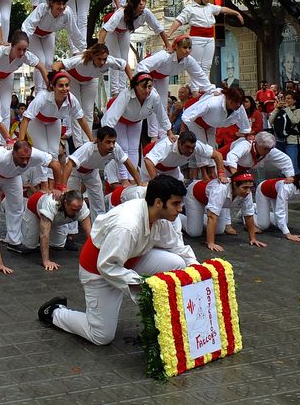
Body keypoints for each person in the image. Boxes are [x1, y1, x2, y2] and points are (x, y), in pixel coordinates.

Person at [38, 174, 196, 345]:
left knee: (180, 264)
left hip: (133, 259)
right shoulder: (127, 225)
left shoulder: (160, 215)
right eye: (176, 204)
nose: (180, 209)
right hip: (99, 271)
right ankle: (55, 312)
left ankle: (165, 319)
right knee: (101, 336)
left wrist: (197, 269)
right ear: (158, 202)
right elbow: (107, 266)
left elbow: (176, 246)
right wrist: (143, 290)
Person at [0, 140, 63, 248]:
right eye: (22, 158)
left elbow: (56, 165)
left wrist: (58, 188)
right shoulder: (1, 154)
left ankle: (13, 240)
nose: (25, 162)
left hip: (13, 177)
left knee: (17, 207)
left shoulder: (36, 155)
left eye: (27, 158)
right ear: (13, 153)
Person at [136, 36, 215, 134]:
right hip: (148, 74)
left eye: (189, 48)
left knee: (162, 104)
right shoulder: (164, 55)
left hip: (162, 76)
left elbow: (199, 75)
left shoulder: (188, 60)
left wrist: (212, 90)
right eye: (184, 47)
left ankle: (163, 133)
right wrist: (145, 82)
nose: (187, 51)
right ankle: (153, 136)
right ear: (176, 47)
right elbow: (142, 66)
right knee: (152, 101)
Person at [164, 0, 245, 75]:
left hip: (210, 38)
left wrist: (236, 13)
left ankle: (205, 88)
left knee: (207, 66)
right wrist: (169, 33)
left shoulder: (209, 7)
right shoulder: (190, 9)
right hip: (197, 38)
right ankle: (195, 89)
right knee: (196, 65)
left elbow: (223, 9)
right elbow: (179, 21)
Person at [102, 73, 171, 183]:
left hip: (136, 120)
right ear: (135, 86)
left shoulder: (154, 96)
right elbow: (112, 115)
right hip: (119, 119)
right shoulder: (126, 94)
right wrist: (106, 132)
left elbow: (161, 114)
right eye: (144, 87)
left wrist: (169, 131)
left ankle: (132, 179)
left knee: (134, 148)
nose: (147, 90)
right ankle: (124, 179)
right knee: (123, 147)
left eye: (149, 87)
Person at [19, 72, 94, 173]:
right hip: (37, 121)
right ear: (53, 87)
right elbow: (26, 118)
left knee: (54, 152)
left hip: (54, 122)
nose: (64, 89)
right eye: (60, 85)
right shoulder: (43, 96)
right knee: (42, 152)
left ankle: (53, 182)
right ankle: (43, 184)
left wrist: (91, 138)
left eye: (67, 85)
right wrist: (21, 141)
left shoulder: (71, 99)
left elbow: (81, 119)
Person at [98, 0, 170, 94]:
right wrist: (99, 48)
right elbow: (104, 30)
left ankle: (123, 89)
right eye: (140, 2)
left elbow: (159, 28)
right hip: (112, 32)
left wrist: (168, 45)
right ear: (133, 4)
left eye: (144, 1)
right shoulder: (121, 12)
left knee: (124, 60)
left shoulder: (146, 13)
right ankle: (115, 92)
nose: (142, 5)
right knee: (116, 58)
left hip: (124, 32)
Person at [53, 43, 125, 138]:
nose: (102, 62)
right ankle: (78, 144)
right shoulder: (81, 59)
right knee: (76, 110)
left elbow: (125, 65)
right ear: (92, 56)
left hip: (91, 80)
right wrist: (55, 82)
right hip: (72, 79)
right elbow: (56, 65)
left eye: (104, 59)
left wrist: (133, 82)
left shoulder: (109, 61)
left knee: (88, 111)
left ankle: (88, 141)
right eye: (99, 59)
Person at [61, 127, 138, 217]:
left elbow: (127, 162)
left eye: (113, 142)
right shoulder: (87, 148)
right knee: (72, 201)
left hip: (92, 171)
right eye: (108, 142)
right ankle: (70, 230)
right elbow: (69, 164)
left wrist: (139, 182)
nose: (112, 145)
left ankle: (98, 229)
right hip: (74, 172)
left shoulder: (115, 148)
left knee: (99, 203)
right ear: (98, 141)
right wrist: (63, 187)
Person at [182, 171, 265, 251]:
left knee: (219, 230)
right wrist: (210, 243)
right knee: (194, 233)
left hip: (219, 203)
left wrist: (253, 239)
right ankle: (179, 217)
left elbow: (249, 215)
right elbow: (211, 216)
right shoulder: (220, 189)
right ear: (235, 184)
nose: (248, 191)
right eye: (245, 188)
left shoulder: (247, 192)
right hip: (195, 196)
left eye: (250, 187)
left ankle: (197, 218)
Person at [22, 0, 86, 88]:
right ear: (51, 3)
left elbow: (74, 32)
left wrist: (84, 50)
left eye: (64, 4)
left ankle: (47, 87)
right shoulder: (42, 8)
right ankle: (39, 91)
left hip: (49, 35)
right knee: (40, 61)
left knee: (48, 63)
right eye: (58, 4)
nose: (61, 7)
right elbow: (28, 26)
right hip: (34, 35)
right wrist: (23, 43)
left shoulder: (67, 13)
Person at [181, 87, 251, 174]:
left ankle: (213, 173)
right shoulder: (213, 102)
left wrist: (247, 136)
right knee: (201, 144)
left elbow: (245, 125)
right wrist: (182, 133)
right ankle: (205, 175)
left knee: (211, 147)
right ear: (228, 98)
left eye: (240, 103)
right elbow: (187, 115)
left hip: (210, 123)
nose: (238, 105)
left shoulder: (239, 108)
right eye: (236, 102)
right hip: (194, 117)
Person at [18, 190, 92, 268]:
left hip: (56, 218)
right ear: (65, 203)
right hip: (34, 209)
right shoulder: (51, 203)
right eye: (73, 210)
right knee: (29, 246)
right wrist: (46, 261)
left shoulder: (81, 205)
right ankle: (24, 230)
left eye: (78, 210)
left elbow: (89, 232)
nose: (77, 213)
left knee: (58, 246)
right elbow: (44, 234)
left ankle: (45, 235)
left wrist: (96, 255)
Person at [255, 172, 300, 243]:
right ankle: (250, 210)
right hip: (264, 190)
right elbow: (280, 211)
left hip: (277, 194)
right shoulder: (286, 188)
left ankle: (261, 212)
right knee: (263, 225)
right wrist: (288, 234)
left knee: (282, 223)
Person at [140, 131, 225, 185]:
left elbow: (218, 155)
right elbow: (148, 161)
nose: (191, 151)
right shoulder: (167, 145)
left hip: (171, 167)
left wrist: (221, 174)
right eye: (187, 147)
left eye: (193, 147)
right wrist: (156, 182)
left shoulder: (197, 146)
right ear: (179, 143)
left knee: (178, 190)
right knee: (148, 189)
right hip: (150, 162)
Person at [269, 91, 300, 168]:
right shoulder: (279, 110)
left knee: (292, 164)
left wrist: (287, 108)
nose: (286, 100)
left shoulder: (298, 110)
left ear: (294, 101)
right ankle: (283, 177)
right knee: (282, 164)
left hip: (291, 141)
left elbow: (294, 120)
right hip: (279, 140)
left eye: (289, 98)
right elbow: (270, 121)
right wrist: (277, 108)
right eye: (285, 98)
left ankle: (294, 177)